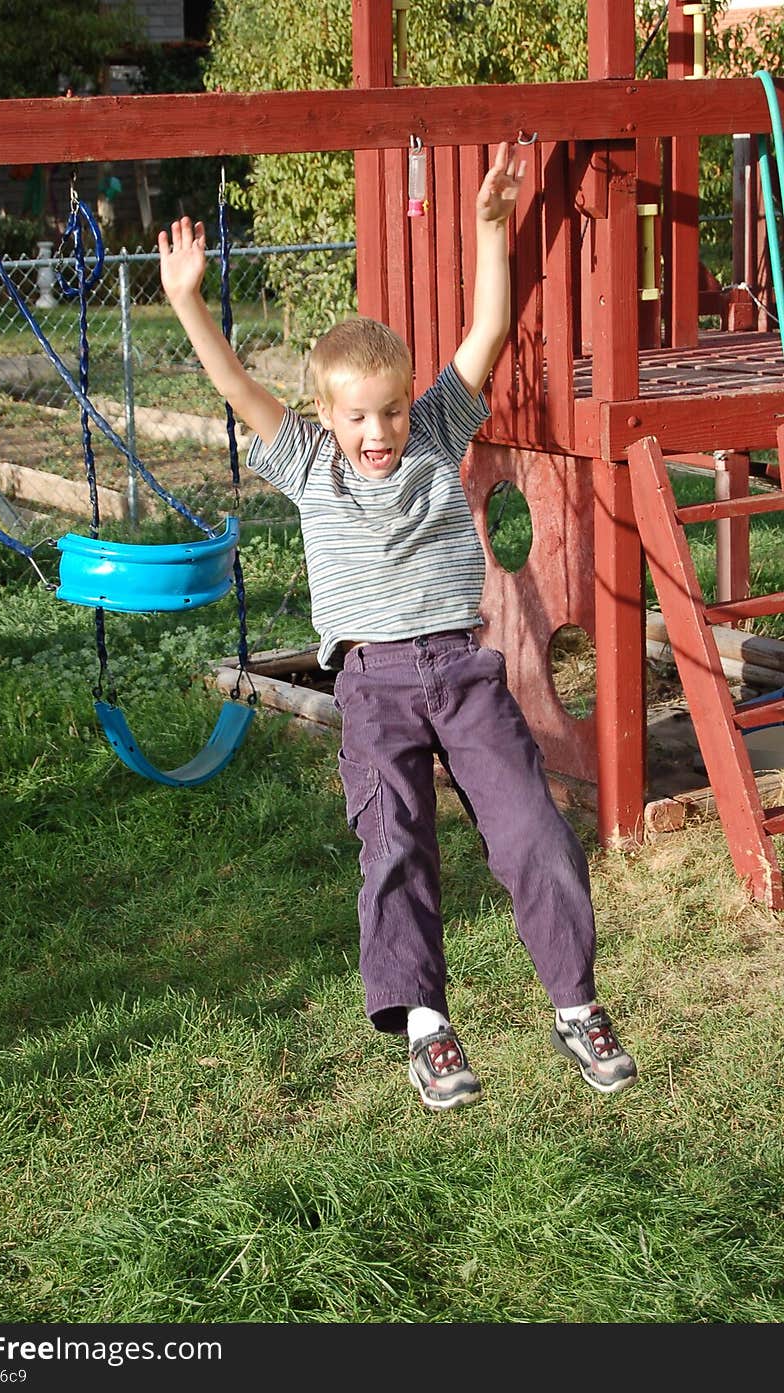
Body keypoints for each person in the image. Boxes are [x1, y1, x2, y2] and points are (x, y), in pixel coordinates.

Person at [158, 141, 638, 1112]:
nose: (376, 435)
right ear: (326, 416)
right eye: (357, 419)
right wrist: (186, 302)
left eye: (385, 413)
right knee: (396, 848)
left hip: (463, 671)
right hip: (372, 685)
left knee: (535, 833)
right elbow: (237, 390)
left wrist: (489, 228)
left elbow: (488, 328)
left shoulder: (432, 432)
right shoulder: (306, 463)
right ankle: (426, 1027)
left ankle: (575, 1004)